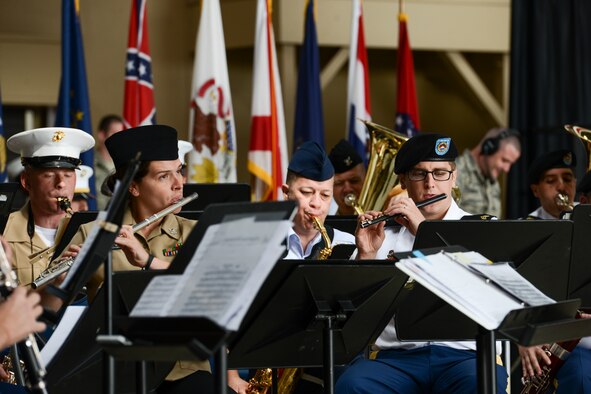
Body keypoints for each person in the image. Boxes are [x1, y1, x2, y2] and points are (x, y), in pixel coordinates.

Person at [61, 124, 243, 394]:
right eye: (164, 176)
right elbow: (49, 307)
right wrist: (64, 282)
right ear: (133, 187)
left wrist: (148, 261)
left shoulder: (197, 231)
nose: (179, 183)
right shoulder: (93, 233)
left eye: (179, 171)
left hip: (185, 371)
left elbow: (213, 298)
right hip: (118, 372)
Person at [336, 133, 508, 393]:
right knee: (353, 383)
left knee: (481, 384)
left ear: (454, 176)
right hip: (396, 360)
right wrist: (367, 256)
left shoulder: (482, 228)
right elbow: (351, 318)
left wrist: (424, 233)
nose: (430, 184)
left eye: (440, 173)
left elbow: (493, 301)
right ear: (404, 180)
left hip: (465, 357)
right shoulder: (382, 234)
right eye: (419, 174)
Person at [518, 165, 591, 393]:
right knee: (579, 377)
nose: (561, 187)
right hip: (573, 340)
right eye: (551, 180)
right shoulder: (532, 231)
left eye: (568, 178)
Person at [3, 127, 94, 286]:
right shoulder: (3, 231)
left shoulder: (91, 230)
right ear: (27, 181)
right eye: (49, 175)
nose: (61, 183)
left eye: (68, 174)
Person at [282, 141, 355, 260]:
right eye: (306, 192)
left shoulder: (348, 243)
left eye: (325, 195)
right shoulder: (262, 244)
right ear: (286, 193)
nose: (316, 203)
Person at [455, 127, 521, 218]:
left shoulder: (493, 181)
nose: (507, 169)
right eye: (504, 160)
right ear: (488, 148)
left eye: (510, 164)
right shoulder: (455, 173)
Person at [526, 149, 577, 219]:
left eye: (567, 179)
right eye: (551, 181)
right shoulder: (527, 226)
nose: (561, 187)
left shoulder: (586, 214)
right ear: (535, 190)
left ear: (575, 183)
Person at [94, 115, 125, 210]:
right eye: (115, 133)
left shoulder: (125, 164)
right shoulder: (88, 163)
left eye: (121, 134)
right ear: (102, 135)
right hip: (93, 220)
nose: (120, 139)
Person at [328, 139, 366, 215]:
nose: (347, 189)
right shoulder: (324, 224)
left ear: (366, 180)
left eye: (354, 181)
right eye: (339, 183)